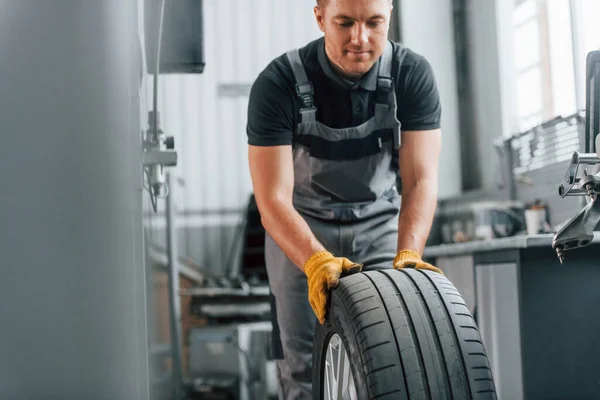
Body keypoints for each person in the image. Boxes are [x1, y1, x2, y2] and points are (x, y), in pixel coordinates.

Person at [246, 0, 443, 398]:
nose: (360, 38)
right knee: (301, 365)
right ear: (319, 17)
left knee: (394, 356)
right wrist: (315, 261)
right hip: (299, 228)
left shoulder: (411, 74)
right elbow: (271, 199)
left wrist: (409, 253)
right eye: (345, 23)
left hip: (379, 228)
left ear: (390, 15)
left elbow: (421, 180)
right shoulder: (279, 82)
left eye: (374, 23)